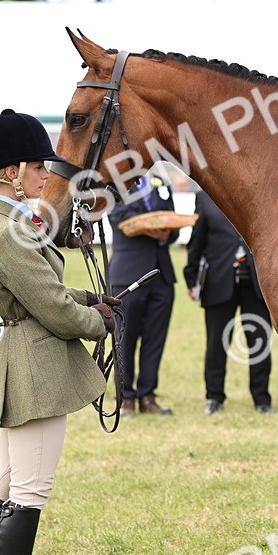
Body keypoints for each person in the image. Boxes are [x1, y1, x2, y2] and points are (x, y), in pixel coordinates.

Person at [0, 109, 118, 555]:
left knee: (5, 486)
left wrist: (89, 295)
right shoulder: (9, 233)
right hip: (35, 365)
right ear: (10, 171)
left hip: (17, 352)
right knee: (29, 490)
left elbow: (39, 293)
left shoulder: (0, 225)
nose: (46, 174)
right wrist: (98, 320)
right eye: (35, 165)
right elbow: (52, 309)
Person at [183, 191, 273, 415]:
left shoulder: (259, 190)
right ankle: (214, 397)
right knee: (216, 344)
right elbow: (197, 239)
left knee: (260, 342)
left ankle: (262, 398)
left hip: (256, 283)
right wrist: (191, 277)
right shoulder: (204, 198)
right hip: (218, 282)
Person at [107, 171, 179, 415]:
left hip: (162, 275)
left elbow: (173, 223)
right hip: (128, 276)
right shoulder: (116, 185)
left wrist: (167, 231)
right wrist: (152, 228)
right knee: (125, 339)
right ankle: (125, 397)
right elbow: (119, 216)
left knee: (154, 340)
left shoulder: (162, 182)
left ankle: (148, 395)